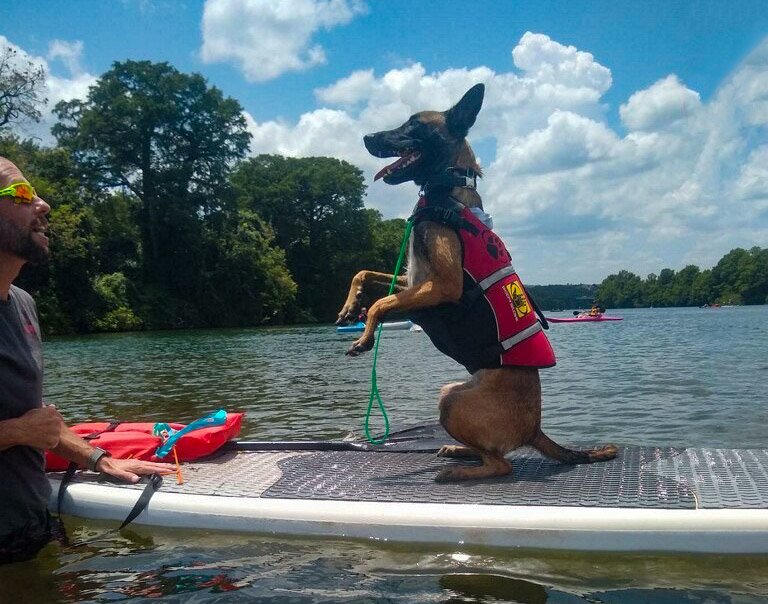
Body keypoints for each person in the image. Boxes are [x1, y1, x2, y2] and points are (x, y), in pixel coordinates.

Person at [0, 157, 175, 564]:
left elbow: (39, 425)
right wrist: (18, 431)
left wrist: (100, 459)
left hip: (29, 533)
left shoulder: (23, 304)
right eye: (23, 194)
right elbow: (28, 427)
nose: (43, 205)